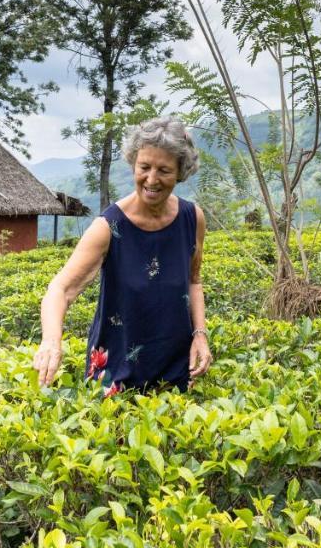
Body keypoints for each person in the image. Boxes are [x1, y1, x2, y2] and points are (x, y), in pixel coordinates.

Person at [34, 116, 211, 395]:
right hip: (116, 372)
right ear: (133, 164)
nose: (151, 179)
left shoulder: (192, 218)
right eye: (144, 167)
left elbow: (194, 279)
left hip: (175, 367)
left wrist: (200, 334)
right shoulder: (108, 227)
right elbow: (61, 289)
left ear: (180, 171)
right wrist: (51, 341)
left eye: (164, 170)